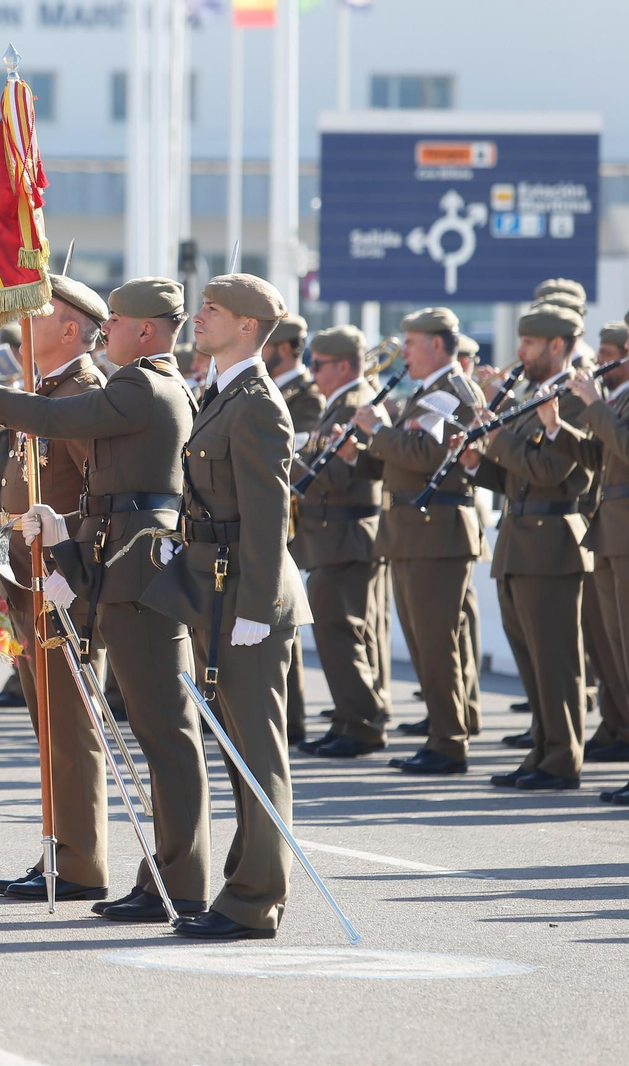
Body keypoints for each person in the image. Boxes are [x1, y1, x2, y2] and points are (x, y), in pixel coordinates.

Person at [0, 277, 209, 926]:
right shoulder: (84, 387)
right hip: (59, 566)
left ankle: (105, 864)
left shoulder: (112, 388)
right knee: (60, 724)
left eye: (115, 321)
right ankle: (78, 854)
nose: (107, 332)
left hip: (94, 576)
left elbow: (90, 478)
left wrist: (70, 563)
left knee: (101, 727)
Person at [143, 274, 309, 941]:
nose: (201, 317)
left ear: (247, 326)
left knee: (257, 754)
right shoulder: (223, 393)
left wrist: (258, 608)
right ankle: (241, 890)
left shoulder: (258, 404)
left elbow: (270, 519)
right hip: (216, 589)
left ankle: (255, 899)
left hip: (246, 598)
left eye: (213, 310)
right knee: (235, 747)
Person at [0, 274, 110, 901]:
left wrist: (71, 571)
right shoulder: (45, 392)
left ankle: (81, 863)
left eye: (40, 312)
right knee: (47, 725)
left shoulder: (83, 394)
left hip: (62, 583)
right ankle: (58, 851)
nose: (24, 320)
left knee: (69, 725)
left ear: (70, 329)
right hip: (28, 579)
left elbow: (101, 495)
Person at [540, 298, 629, 806]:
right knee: (626, 658)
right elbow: (603, 454)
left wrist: (595, 402)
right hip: (617, 528)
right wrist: (559, 426)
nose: (627, 349)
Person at [456, 305, 592, 791]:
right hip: (519, 540)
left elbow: (555, 472)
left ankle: (562, 758)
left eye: (530, 344)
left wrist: (496, 439)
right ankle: (542, 750)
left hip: (552, 543)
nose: (520, 353)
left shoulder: (574, 398)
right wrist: (476, 461)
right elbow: (514, 475)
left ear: (556, 346)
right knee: (532, 663)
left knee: (556, 661)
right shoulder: (532, 394)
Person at [350, 308, 486, 775]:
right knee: (425, 642)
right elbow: (408, 456)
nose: (403, 352)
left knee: (435, 642)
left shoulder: (453, 391)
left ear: (436, 344)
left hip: (436, 532)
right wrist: (373, 443)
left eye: (410, 343)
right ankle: (444, 733)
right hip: (414, 531)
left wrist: (378, 432)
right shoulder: (431, 390)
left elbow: (430, 456)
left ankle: (448, 742)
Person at [294, 326, 393, 759]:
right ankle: (349, 719)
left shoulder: (354, 405)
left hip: (345, 536)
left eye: (318, 365)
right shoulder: (340, 403)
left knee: (341, 634)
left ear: (344, 366)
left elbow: (339, 478)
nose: (312, 372)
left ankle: (364, 724)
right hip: (331, 538)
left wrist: (288, 461)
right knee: (338, 634)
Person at [584, 322, 629, 763]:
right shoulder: (620, 399)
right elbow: (592, 458)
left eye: (611, 351)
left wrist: (590, 404)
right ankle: (626, 734)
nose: (603, 360)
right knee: (611, 648)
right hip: (610, 529)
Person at [266, 313, 322, 743]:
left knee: (284, 622)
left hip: (288, 518)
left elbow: (301, 453)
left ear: (283, 348)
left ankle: (293, 720)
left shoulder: (307, 396)